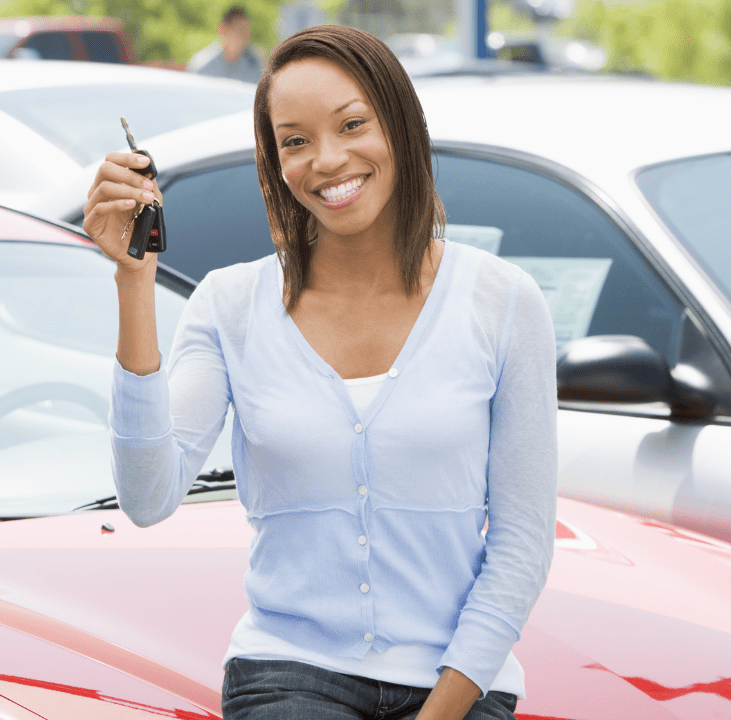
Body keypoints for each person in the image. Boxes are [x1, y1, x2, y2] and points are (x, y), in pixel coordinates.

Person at [83, 25, 557, 720]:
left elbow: (522, 542)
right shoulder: (230, 305)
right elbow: (148, 496)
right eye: (296, 141)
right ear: (275, 164)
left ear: (399, 125)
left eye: (353, 124)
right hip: (290, 678)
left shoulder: (504, 301)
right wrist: (133, 283)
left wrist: (445, 705)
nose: (328, 160)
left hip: (461, 682)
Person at [189, 5, 264, 84]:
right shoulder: (202, 65)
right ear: (224, 29)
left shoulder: (256, 65)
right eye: (239, 30)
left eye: (247, 31)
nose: (244, 36)